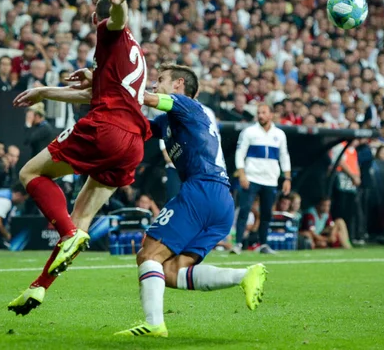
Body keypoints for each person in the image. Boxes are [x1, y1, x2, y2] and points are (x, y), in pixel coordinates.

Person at [7, 0, 152, 315]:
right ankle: (39, 288)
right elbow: (90, 94)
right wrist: (46, 91)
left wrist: (118, 4)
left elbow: (116, 20)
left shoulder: (112, 32)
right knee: (81, 219)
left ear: (92, 17)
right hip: (133, 143)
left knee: (29, 172)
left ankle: (68, 233)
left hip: (106, 129)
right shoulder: (133, 53)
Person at [114, 64, 267, 337]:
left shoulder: (186, 104)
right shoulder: (171, 121)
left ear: (178, 84)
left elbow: (147, 99)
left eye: (160, 80)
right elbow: (138, 124)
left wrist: (116, 84)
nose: (154, 84)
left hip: (201, 190)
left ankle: (154, 324)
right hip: (221, 201)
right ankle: (244, 275)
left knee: (148, 255)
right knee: (173, 270)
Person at [232, 104, 292, 255]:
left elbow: (284, 156)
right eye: (259, 113)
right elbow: (240, 153)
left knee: (266, 213)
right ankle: (238, 243)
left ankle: (263, 244)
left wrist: (287, 178)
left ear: (271, 115)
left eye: (264, 112)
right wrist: (242, 174)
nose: (260, 115)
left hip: (270, 179)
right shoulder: (249, 132)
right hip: (252, 177)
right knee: (244, 209)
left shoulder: (279, 134)